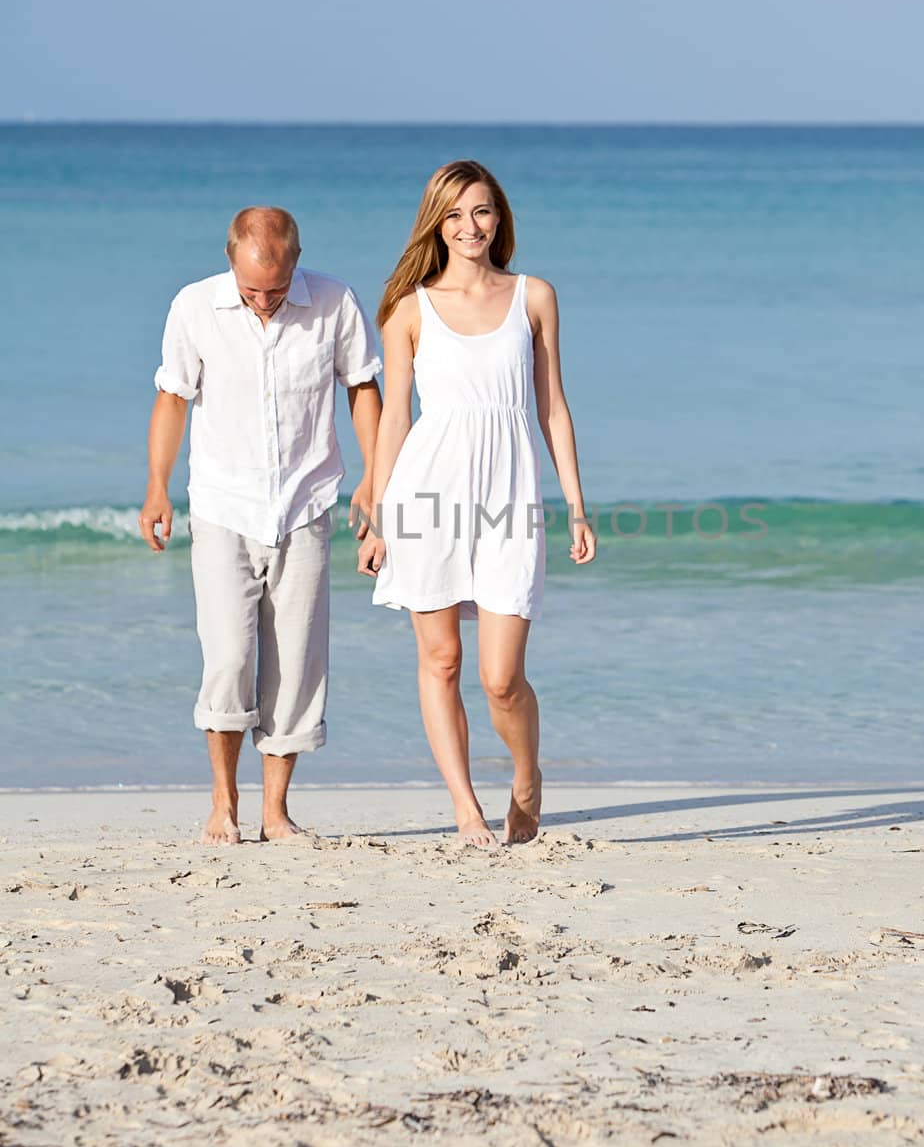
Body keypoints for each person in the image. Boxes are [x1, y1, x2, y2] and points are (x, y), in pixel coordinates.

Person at [358, 160, 595, 848]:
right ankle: (466, 810)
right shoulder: (408, 310)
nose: (470, 226)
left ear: (501, 218)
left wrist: (576, 504)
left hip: (510, 494)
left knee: (499, 678)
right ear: (437, 221)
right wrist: (375, 516)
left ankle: (526, 779)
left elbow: (551, 404)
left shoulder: (533, 297)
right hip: (425, 495)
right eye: (455, 214)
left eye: (482, 211)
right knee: (441, 662)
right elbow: (395, 419)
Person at [139, 206, 382, 845]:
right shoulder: (194, 307)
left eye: (275, 291)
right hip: (222, 505)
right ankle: (224, 804)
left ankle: (276, 812)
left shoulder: (334, 303)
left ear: (295, 262)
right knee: (227, 658)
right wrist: (158, 487)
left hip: (305, 504)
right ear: (231, 260)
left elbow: (363, 390)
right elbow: (172, 399)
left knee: (296, 666)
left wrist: (374, 478)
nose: (265, 303)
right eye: (252, 291)